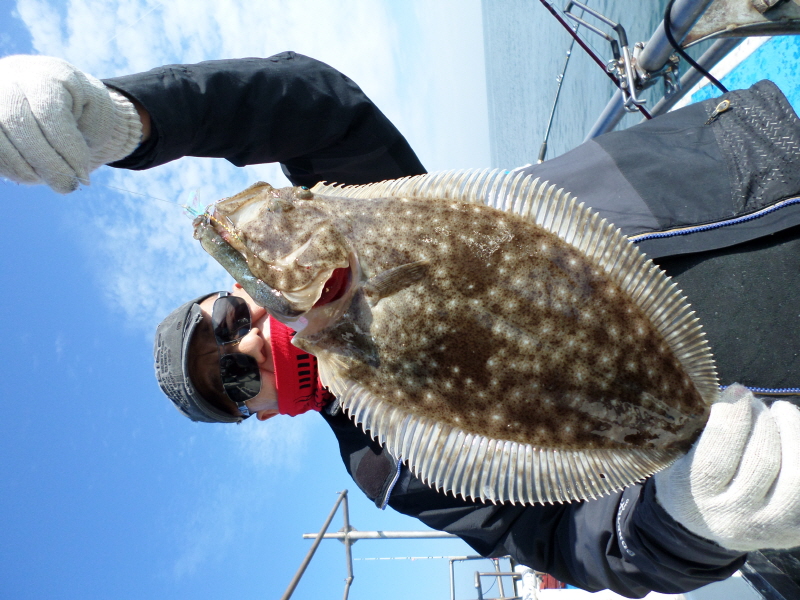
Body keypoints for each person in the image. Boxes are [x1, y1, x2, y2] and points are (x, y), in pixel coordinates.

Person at [1, 52, 799, 598]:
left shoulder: (363, 203)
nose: (245, 344)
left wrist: (130, 118)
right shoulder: (396, 465)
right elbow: (575, 542)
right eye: (235, 380)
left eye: (225, 317)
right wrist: (690, 518)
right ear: (263, 414)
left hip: (759, 172)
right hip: (775, 416)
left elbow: (306, 107)